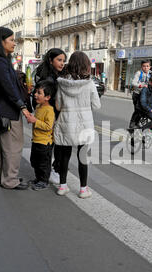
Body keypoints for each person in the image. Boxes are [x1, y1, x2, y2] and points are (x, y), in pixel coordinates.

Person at [0, 26, 32, 190]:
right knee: (13, 146)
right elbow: (8, 88)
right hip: (8, 110)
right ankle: (10, 180)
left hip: (6, 109)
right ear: (2, 41)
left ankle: (7, 177)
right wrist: (23, 107)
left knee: (7, 146)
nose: (14, 43)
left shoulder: (1, 61)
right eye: (11, 40)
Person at [54, 51, 101, 199]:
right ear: (86, 65)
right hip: (84, 124)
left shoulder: (61, 83)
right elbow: (96, 105)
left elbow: (58, 106)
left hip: (66, 122)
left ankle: (62, 186)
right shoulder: (89, 84)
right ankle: (83, 189)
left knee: (64, 156)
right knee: (83, 158)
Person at [34, 48, 67, 186]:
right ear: (50, 60)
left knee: (49, 147)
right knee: (50, 147)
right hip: (51, 116)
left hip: (47, 115)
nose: (62, 63)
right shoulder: (50, 78)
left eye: (64, 61)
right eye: (59, 60)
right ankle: (49, 174)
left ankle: (47, 173)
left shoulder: (50, 74)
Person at [28, 80, 56, 191]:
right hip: (36, 140)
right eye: (36, 92)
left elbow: (48, 126)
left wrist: (35, 121)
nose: (35, 94)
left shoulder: (49, 110)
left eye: (39, 93)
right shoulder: (39, 107)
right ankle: (38, 178)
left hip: (45, 143)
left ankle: (44, 181)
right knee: (34, 161)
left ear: (47, 97)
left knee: (43, 163)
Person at [129, 60, 151, 128]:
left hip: (146, 95)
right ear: (141, 67)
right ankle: (133, 122)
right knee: (138, 109)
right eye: (144, 66)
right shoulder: (139, 73)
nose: (146, 68)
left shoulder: (150, 74)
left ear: (150, 67)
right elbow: (133, 82)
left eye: (147, 66)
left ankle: (140, 122)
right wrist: (141, 85)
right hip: (137, 94)